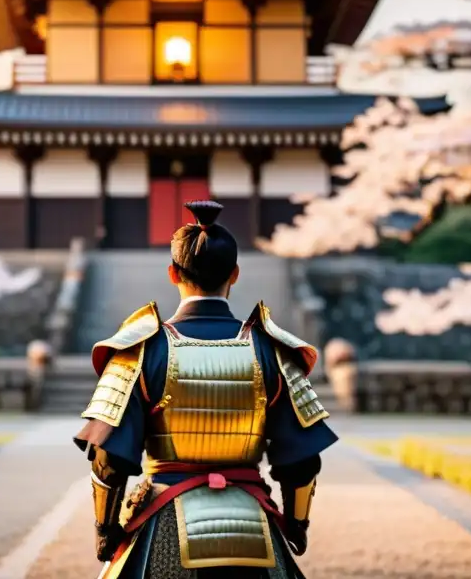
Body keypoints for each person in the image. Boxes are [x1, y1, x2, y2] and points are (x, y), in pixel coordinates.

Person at [74, 200, 338, 579]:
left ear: (172, 273)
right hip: (252, 528)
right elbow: (302, 460)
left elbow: (108, 459)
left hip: (163, 522)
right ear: (234, 274)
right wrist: (296, 526)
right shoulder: (272, 349)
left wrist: (106, 530)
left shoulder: (142, 349)